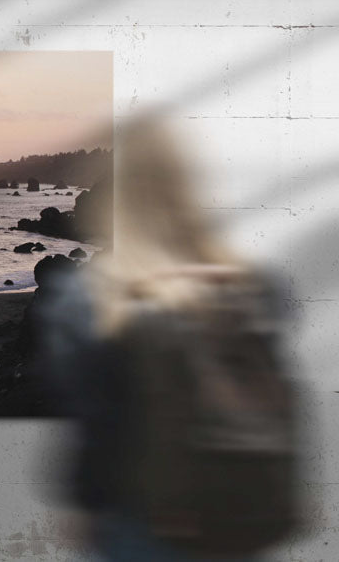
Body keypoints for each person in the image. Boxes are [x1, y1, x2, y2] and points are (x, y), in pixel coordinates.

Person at [37, 117, 302, 561]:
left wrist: (86, 502)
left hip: (142, 516)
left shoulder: (90, 297)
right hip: (240, 506)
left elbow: (93, 417)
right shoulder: (256, 285)